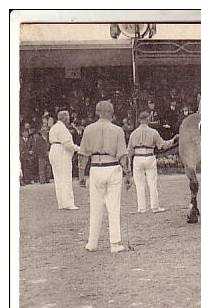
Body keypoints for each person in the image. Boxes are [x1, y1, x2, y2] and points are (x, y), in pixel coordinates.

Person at [78, 101, 132, 253]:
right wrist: (128, 175)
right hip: (113, 167)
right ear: (111, 113)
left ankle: (92, 243)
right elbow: (122, 154)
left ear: (97, 112)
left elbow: (82, 155)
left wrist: (81, 175)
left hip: (95, 168)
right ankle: (115, 243)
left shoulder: (88, 130)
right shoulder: (117, 130)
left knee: (95, 207)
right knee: (113, 207)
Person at [127, 110, 175, 214]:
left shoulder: (133, 133)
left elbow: (129, 151)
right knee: (152, 183)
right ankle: (155, 207)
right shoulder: (153, 132)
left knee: (139, 184)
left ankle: (142, 208)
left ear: (139, 120)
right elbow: (162, 145)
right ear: (148, 119)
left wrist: (128, 166)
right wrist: (172, 141)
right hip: (149, 156)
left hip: (138, 157)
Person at [48, 110, 80, 209]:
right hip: (61, 152)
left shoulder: (54, 127)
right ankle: (68, 203)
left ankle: (61, 203)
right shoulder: (62, 128)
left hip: (54, 150)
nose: (69, 119)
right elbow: (67, 144)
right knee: (66, 177)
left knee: (58, 178)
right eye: (68, 117)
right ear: (65, 118)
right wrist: (79, 149)